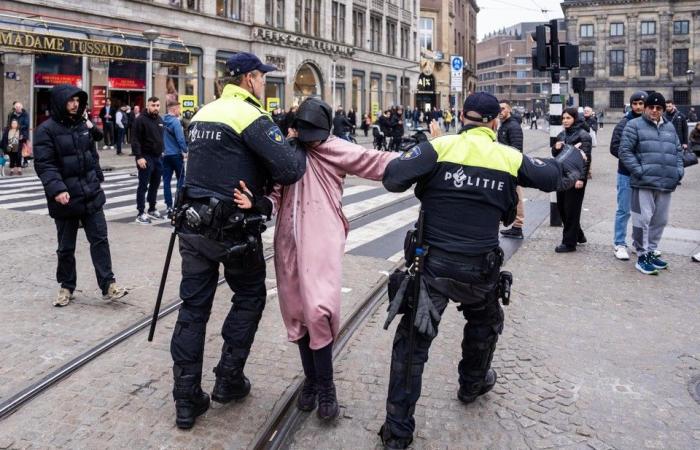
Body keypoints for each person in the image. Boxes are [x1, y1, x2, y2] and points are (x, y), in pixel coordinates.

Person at [378, 92, 585, 449]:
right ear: (494, 122)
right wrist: (572, 150)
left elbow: (392, 178)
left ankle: (398, 432)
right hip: (479, 269)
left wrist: (426, 149)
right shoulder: (507, 156)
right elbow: (555, 175)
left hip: (432, 269)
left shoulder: (440, 148)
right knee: (485, 325)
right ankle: (472, 385)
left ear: (462, 116)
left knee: (412, 346)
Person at [234, 97, 397, 421]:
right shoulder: (288, 152)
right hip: (289, 243)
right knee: (296, 313)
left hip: (321, 239)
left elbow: (377, 161)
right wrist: (256, 204)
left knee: (319, 310)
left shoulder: (338, 148)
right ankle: (311, 381)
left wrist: (426, 156)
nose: (311, 141)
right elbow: (275, 195)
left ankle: (326, 387)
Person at [168, 52, 307, 430]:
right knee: (249, 296)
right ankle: (228, 379)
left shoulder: (202, 114)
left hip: (193, 227)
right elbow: (291, 169)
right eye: (263, 78)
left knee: (193, 309)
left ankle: (186, 399)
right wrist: (292, 141)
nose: (264, 83)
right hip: (234, 231)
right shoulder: (249, 115)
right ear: (249, 79)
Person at [33, 84, 127, 307]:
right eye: (70, 100)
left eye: (78, 100)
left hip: (90, 194)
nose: (75, 104)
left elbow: (92, 152)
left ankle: (108, 284)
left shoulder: (82, 124)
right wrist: (57, 189)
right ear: (59, 102)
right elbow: (45, 165)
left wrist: (97, 177)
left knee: (100, 240)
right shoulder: (46, 130)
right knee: (66, 247)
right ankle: (66, 286)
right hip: (65, 198)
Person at [619, 92, 684, 275]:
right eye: (651, 107)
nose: (654, 111)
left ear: (663, 110)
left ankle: (651, 251)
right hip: (643, 182)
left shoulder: (669, 127)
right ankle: (641, 255)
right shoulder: (634, 125)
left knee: (660, 220)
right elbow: (625, 151)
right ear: (646, 108)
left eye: (659, 108)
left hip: (665, 182)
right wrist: (640, 171)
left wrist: (678, 172)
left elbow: (678, 152)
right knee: (642, 220)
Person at [610, 91, 647, 260]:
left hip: (646, 174)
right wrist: (633, 161)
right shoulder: (624, 123)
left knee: (644, 212)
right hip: (626, 173)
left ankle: (639, 243)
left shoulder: (653, 122)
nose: (638, 106)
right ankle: (619, 243)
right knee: (624, 210)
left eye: (641, 103)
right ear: (631, 105)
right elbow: (614, 146)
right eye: (635, 103)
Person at [551, 108, 592, 253]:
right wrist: (555, 148)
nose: (564, 121)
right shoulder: (561, 134)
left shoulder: (583, 135)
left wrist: (581, 178)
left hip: (576, 177)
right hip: (562, 176)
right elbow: (556, 154)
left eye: (568, 118)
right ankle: (578, 234)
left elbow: (586, 159)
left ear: (575, 118)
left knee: (571, 210)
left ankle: (569, 243)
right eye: (563, 118)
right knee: (562, 208)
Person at [131, 96, 165, 224]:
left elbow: (160, 138)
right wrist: (139, 157)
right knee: (143, 185)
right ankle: (140, 212)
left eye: (157, 105)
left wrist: (162, 151)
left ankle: (152, 209)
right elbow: (135, 140)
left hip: (158, 157)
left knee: (155, 185)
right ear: (148, 105)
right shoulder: (140, 120)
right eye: (153, 105)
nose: (155, 108)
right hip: (145, 157)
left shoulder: (160, 120)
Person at [497, 100, 525, 240]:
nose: (500, 111)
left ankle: (518, 226)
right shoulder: (504, 126)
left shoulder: (513, 126)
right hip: (505, 166)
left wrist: (511, 167)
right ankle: (512, 224)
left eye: (503, 109)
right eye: (499, 109)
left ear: (509, 110)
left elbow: (516, 149)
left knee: (517, 196)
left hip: (512, 167)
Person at [162, 99, 188, 218]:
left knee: (166, 181)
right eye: (179, 108)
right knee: (181, 179)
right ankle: (178, 204)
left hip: (165, 155)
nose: (180, 110)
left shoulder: (162, 120)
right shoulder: (176, 122)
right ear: (174, 109)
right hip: (176, 154)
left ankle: (168, 206)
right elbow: (180, 139)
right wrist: (185, 150)